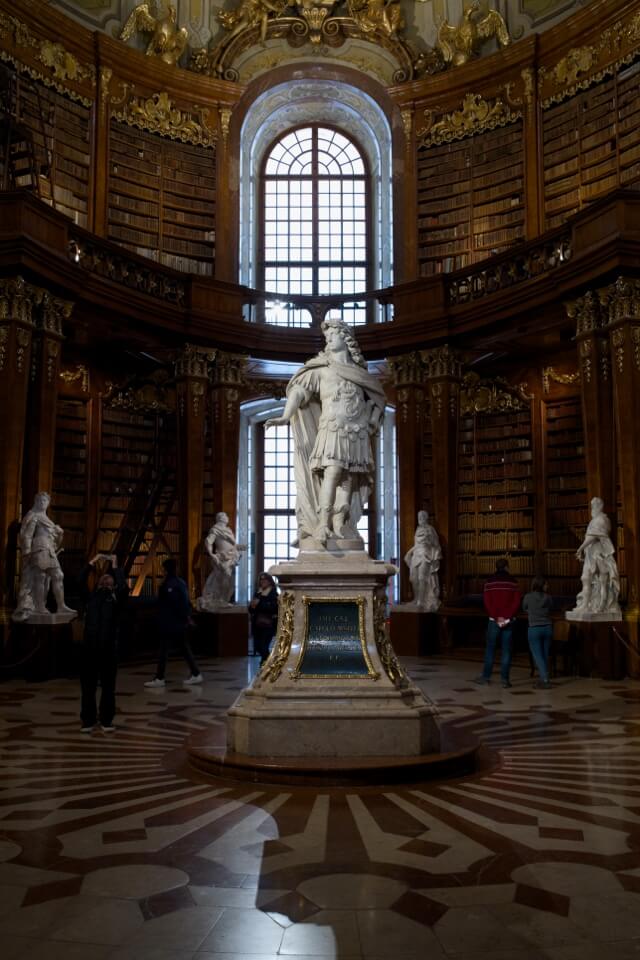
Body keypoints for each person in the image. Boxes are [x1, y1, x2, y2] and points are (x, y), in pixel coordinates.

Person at [265, 316, 386, 547]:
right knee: (332, 472)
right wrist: (285, 415)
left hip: (357, 431)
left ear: (346, 338)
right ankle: (322, 523)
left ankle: (340, 523)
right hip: (333, 426)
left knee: (348, 477)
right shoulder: (321, 368)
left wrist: (372, 419)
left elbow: (378, 399)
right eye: (326, 336)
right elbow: (299, 391)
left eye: (332, 335)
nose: (328, 339)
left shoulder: (360, 374)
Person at [77, 554, 129, 732]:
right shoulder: (90, 598)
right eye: (103, 579)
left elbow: (124, 588)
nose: (106, 580)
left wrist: (115, 566)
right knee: (88, 688)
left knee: (108, 688)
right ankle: (88, 720)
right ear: (98, 584)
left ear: (113, 585)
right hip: (89, 650)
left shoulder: (117, 601)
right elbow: (80, 582)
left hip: (108, 650)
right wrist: (92, 562)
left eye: (109, 579)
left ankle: (106, 720)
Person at [13, 491, 75, 621]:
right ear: (36, 502)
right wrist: (27, 552)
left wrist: (60, 534)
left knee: (58, 575)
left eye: (45, 500)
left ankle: (61, 606)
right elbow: (27, 535)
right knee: (40, 577)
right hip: (39, 549)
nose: (42, 503)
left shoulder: (48, 520)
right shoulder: (33, 516)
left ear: (48, 503)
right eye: (40, 500)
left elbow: (56, 543)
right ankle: (40, 606)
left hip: (50, 550)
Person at [145, 558, 202, 688]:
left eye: (163, 569)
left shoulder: (170, 584)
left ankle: (160, 678)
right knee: (183, 648)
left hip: (170, 622)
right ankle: (195, 673)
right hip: (177, 622)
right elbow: (185, 602)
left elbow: (174, 603)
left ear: (166, 569)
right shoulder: (180, 582)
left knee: (164, 650)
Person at [475, 558, 521, 688]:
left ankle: (485, 677)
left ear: (496, 567)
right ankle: (505, 680)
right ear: (506, 567)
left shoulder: (489, 582)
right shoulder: (513, 582)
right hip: (509, 621)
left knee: (490, 649)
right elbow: (516, 602)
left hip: (493, 620)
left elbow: (487, 602)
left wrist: (497, 617)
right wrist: (507, 617)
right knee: (506, 650)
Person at [573, 496, 621, 616]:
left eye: (593, 506)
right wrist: (584, 551)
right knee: (586, 578)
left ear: (600, 506)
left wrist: (580, 548)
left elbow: (593, 537)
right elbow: (590, 538)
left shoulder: (602, 520)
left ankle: (602, 606)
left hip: (599, 554)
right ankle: (585, 605)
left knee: (603, 581)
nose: (592, 509)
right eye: (591, 506)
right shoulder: (594, 520)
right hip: (591, 554)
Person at [197, 512, 246, 609]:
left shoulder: (228, 530)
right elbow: (208, 541)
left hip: (231, 557)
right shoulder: (215, 529)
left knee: (229, 580)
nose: (227, 518)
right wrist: (211, 554)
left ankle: (223, 600)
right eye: (225, 516)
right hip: (223, 558)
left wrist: (241, 547)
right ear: (220, 518)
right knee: (222, 579)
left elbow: (232, 545)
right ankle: (216, 599)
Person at [404, 510, 442, 611]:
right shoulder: (417, 529)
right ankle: (416, 598)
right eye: (419, 517)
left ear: (426, 518)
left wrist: (436, 557)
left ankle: (421, 601)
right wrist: (409, 552)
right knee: (414, 578)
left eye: (422, 516)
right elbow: (416, 545)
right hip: (416, 555)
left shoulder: (430, 529)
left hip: (426, 555)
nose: (420, 518)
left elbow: (436, 544)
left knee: (422, 577)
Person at [523, 577, 553, 690]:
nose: (547, 586)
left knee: (538, 656)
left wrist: (532, 612)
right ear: (540, 585)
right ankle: (542, 678)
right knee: (544, 655)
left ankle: (545, 680)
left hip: (534, 629)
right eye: (546, 584)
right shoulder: (548, 597)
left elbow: (524, 608)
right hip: (547, 628)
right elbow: (551, 608)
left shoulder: (528, 597)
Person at [249, 572, 279, 664]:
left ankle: (266, 663)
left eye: (265, 580)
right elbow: (251, 609)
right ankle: (268, 662)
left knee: (263, 646)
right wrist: (252, 606)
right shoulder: (258, 592)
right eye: (261, 580)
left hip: (268, 624)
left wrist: (259, 604)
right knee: (258, 646)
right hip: (257, 624)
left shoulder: (273, 593)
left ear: (269, 581)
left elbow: (274, 608)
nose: (262, 581)